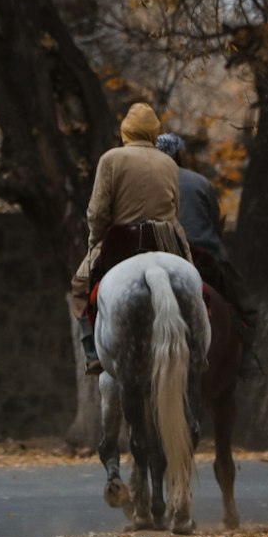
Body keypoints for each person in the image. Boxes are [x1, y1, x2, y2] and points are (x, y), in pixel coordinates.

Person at [70, 102, 192, 375]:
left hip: (121, 240)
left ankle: (92, 353)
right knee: (195, 282)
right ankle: (195, 343)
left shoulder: (111, 159)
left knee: (79, 286)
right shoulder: (169, 164)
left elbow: (98, 211)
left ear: (126, 132)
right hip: (164, 239)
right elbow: (175, 210)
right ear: (153, 132)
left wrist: (94, 241)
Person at [155, 132, 258, 376]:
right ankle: (246, 358)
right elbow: (213, 222)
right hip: (202, 255)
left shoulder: (145, 186)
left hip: (161, 255)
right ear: (180, 154)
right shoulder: (201, 183)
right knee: (245, 305)